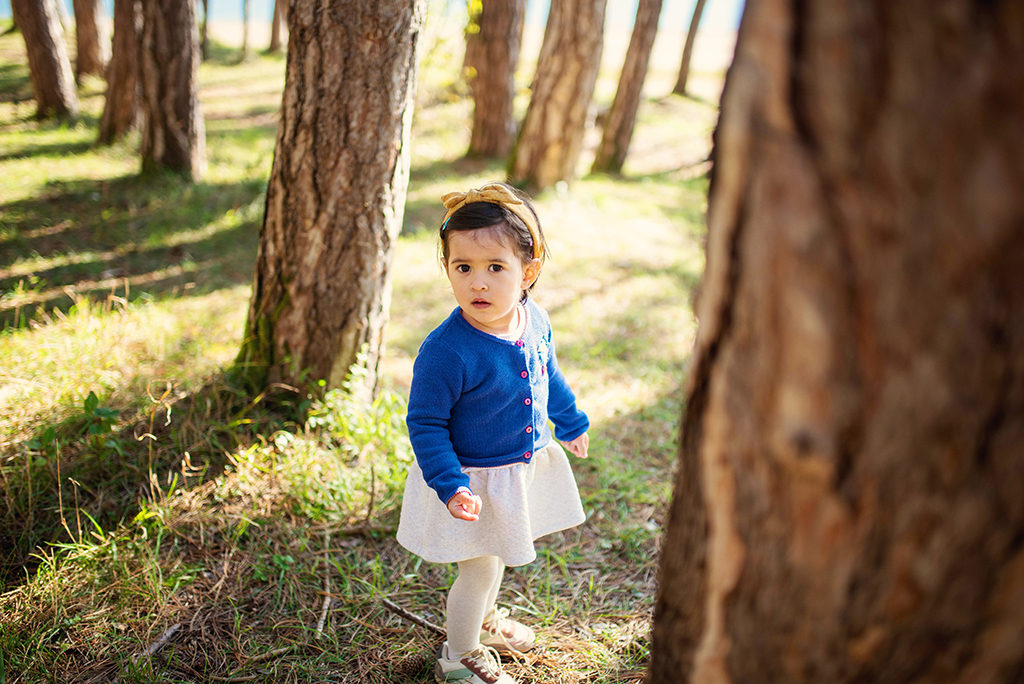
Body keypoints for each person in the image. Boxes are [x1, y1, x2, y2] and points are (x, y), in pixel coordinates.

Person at [397, 183, 590, 684]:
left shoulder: (536, 320)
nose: (477, 283)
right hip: (471, 480)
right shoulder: (446, 350)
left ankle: (485, 621)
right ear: (447, 270)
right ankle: (459, 656)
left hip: (514, 471)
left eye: (495, 268)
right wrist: (450, 483)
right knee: (478, 567)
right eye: (463, 268)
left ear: (528, 272)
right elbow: (426, 423)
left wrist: (569, 421)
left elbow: (549, 374)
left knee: (497, 556)